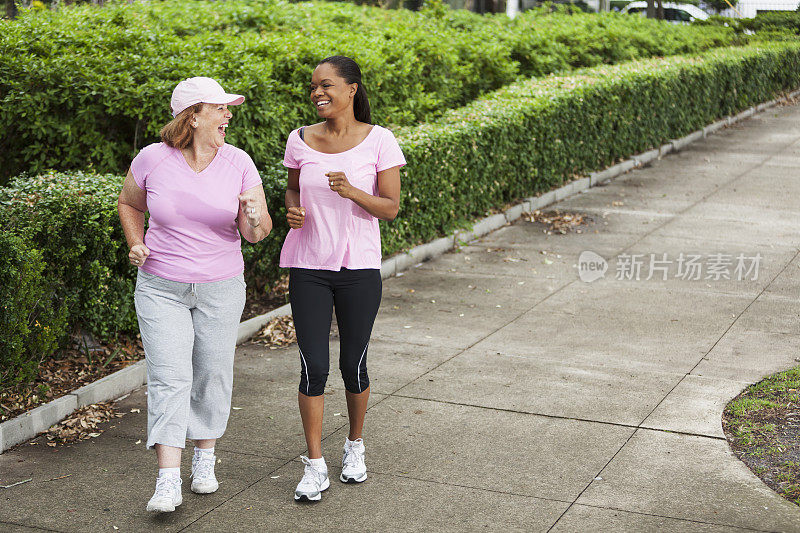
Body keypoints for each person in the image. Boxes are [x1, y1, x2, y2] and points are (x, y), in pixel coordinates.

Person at [117, 77, 272, 513]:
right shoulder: (152, 158)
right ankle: (168, 480)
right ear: (194, 115)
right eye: (220, 108)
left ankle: (204, 459)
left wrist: (253, 214)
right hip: (161, 286)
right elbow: (129, 204)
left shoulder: (239, 162)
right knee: (169, 377)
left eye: (227, 109)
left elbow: (257, 235)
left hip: (220, 287)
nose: (228, 115)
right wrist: (135, 241)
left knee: (212, 373)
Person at [280, 56, 406, 502]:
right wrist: (293, 211)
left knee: (353, 363)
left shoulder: (380, 141)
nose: (317, 92)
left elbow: (390, 208)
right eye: (313, 86)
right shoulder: (299, 140)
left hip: (358, 269)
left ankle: (355, 446)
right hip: (309, 266)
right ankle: (314, 465)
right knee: (312, 367)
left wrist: (352, 190)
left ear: (352, 89)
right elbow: (293, 187)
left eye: (326, 85)